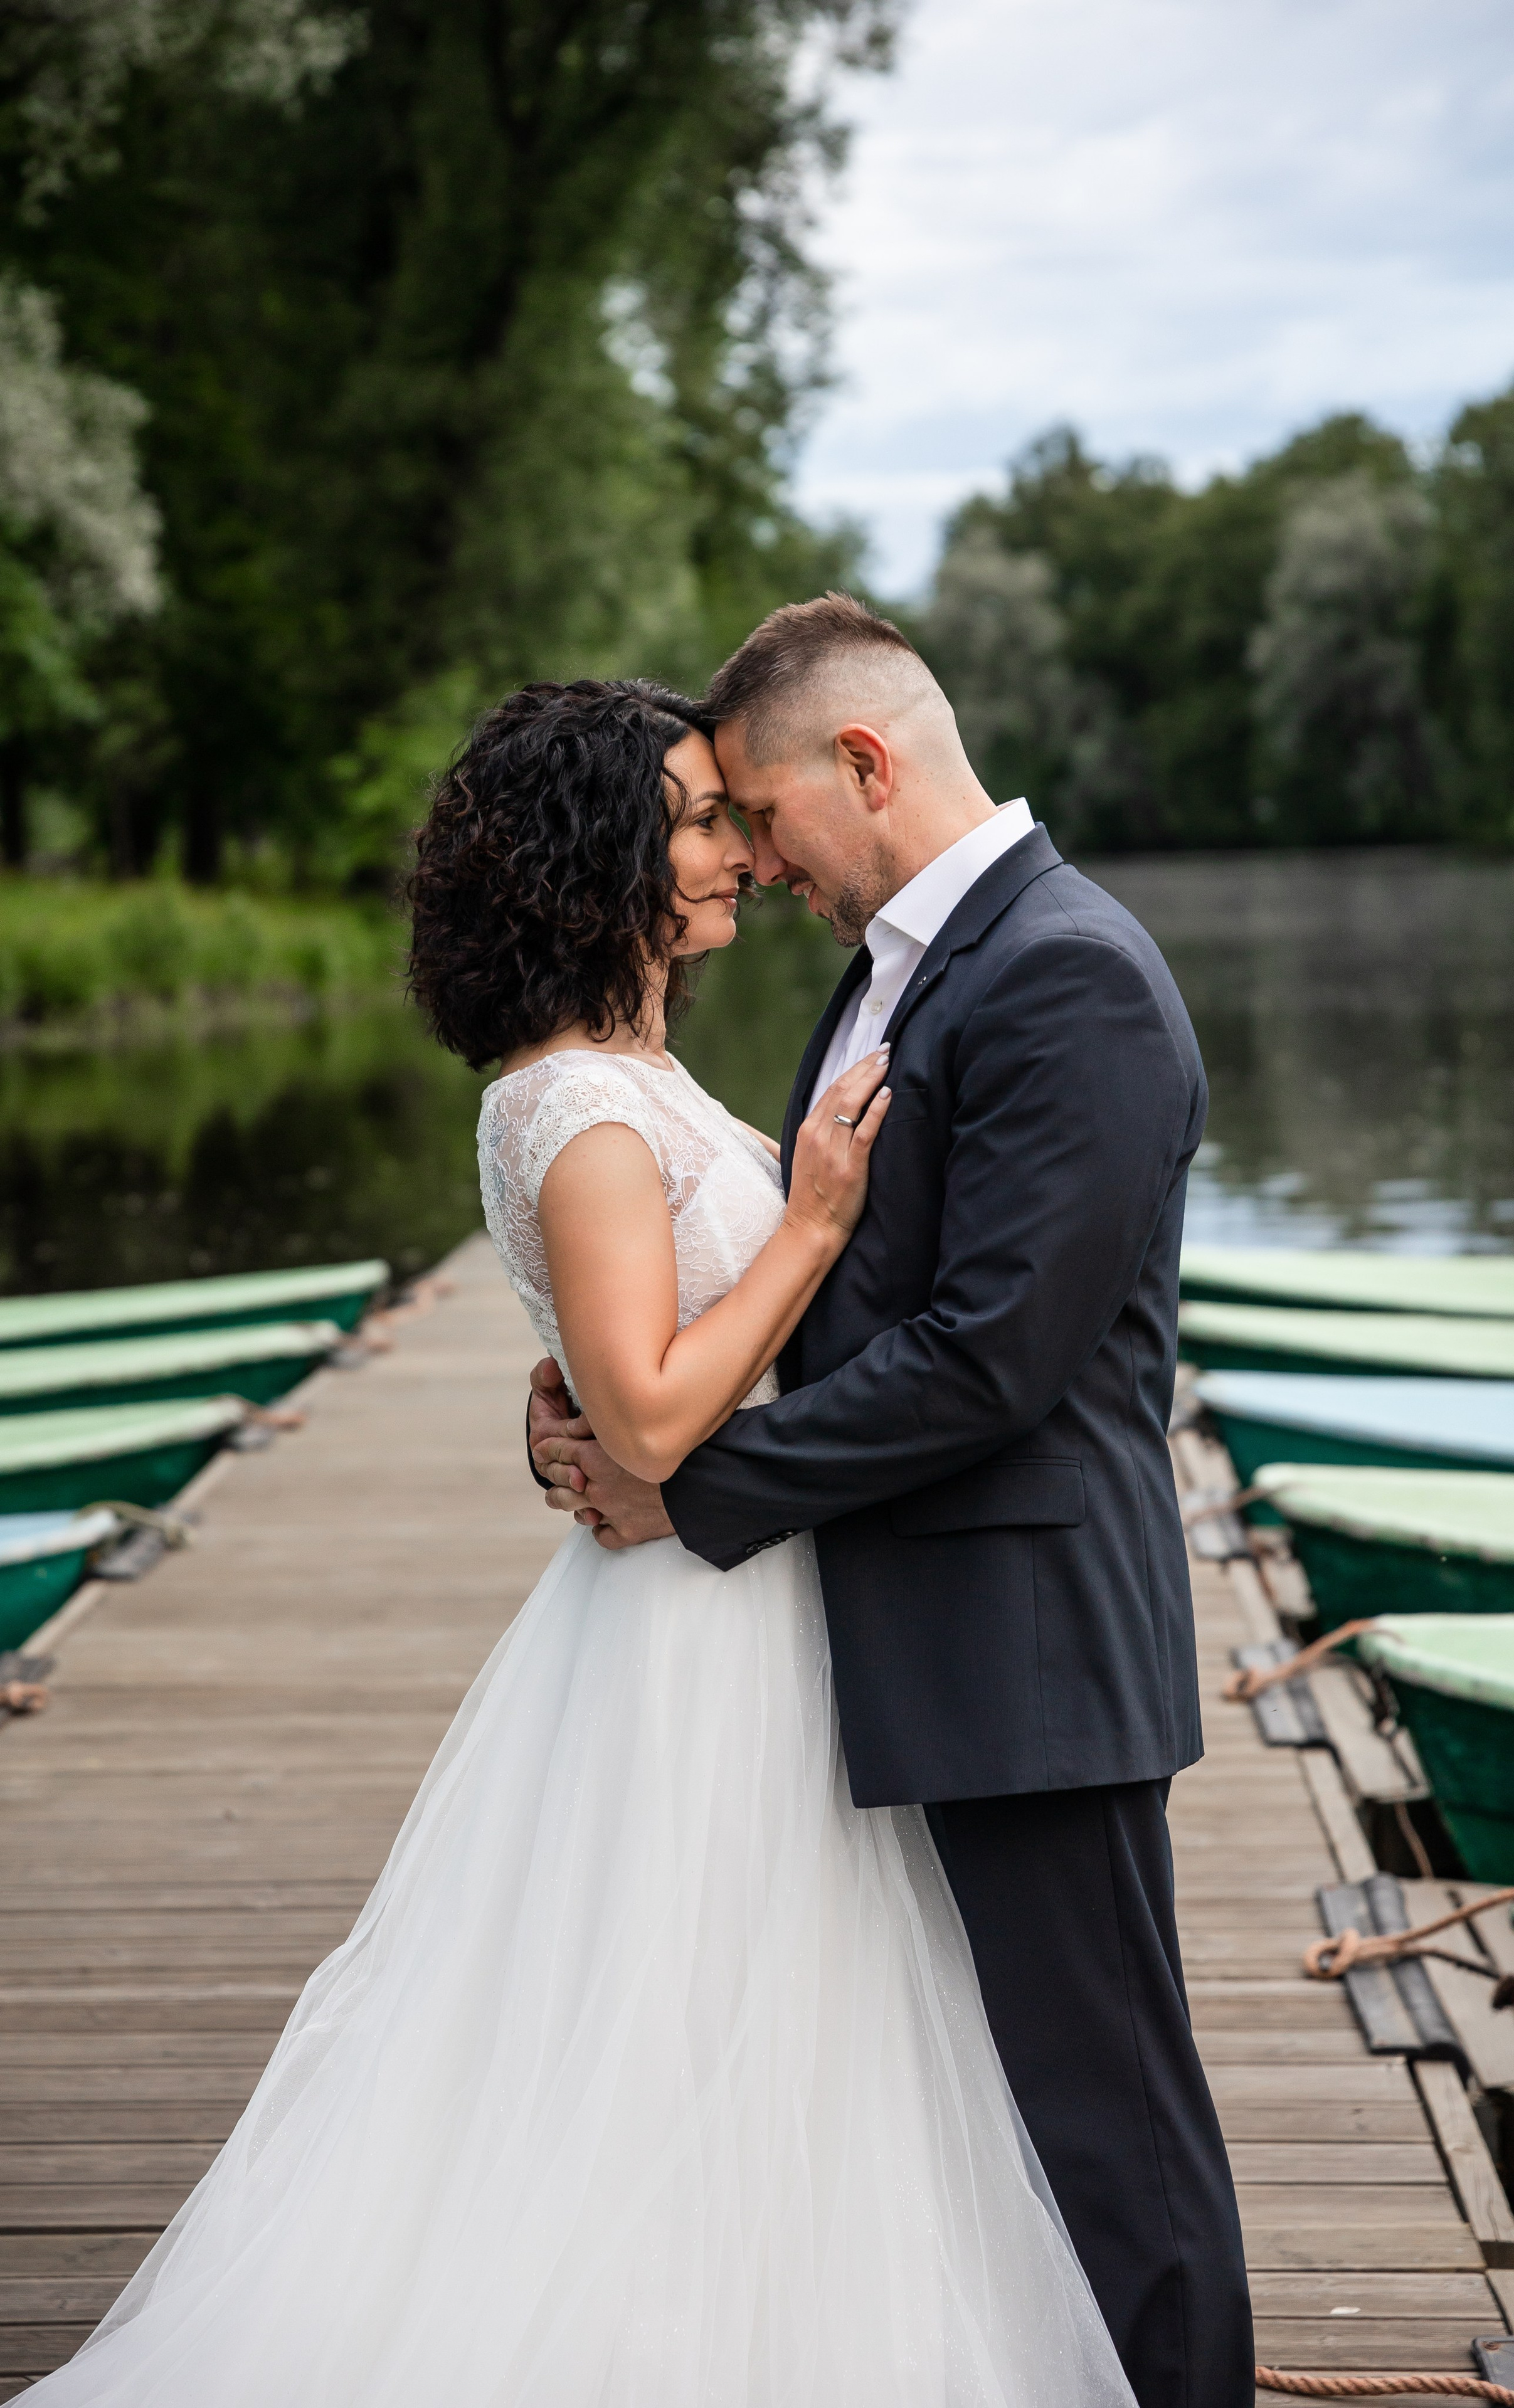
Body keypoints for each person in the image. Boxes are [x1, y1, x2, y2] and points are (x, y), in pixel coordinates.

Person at [29, 677, 1133, 2408]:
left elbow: (636, 1380)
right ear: (597, 856)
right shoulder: (578, 1104)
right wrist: (817, 1220)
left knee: (785, 2038)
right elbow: (653, 1417)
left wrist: (613, 1388)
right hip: (698, 1639)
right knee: (677, 2033)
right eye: (698, 821)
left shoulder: (635, 1077)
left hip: (756, 1603)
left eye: (727, 816)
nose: (737, 857)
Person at [529, 598, 1255, 2408]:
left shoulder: (1067, 969)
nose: (756, 865)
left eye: (761, 818)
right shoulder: (909, 962)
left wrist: (690, 1486)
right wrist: (609, 1413)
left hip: (1028, 1653)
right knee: (986, 2127)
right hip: (910, 1637)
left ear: (865, 766)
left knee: (1112, 2128)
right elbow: (821, 1287)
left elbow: (992, 1357)